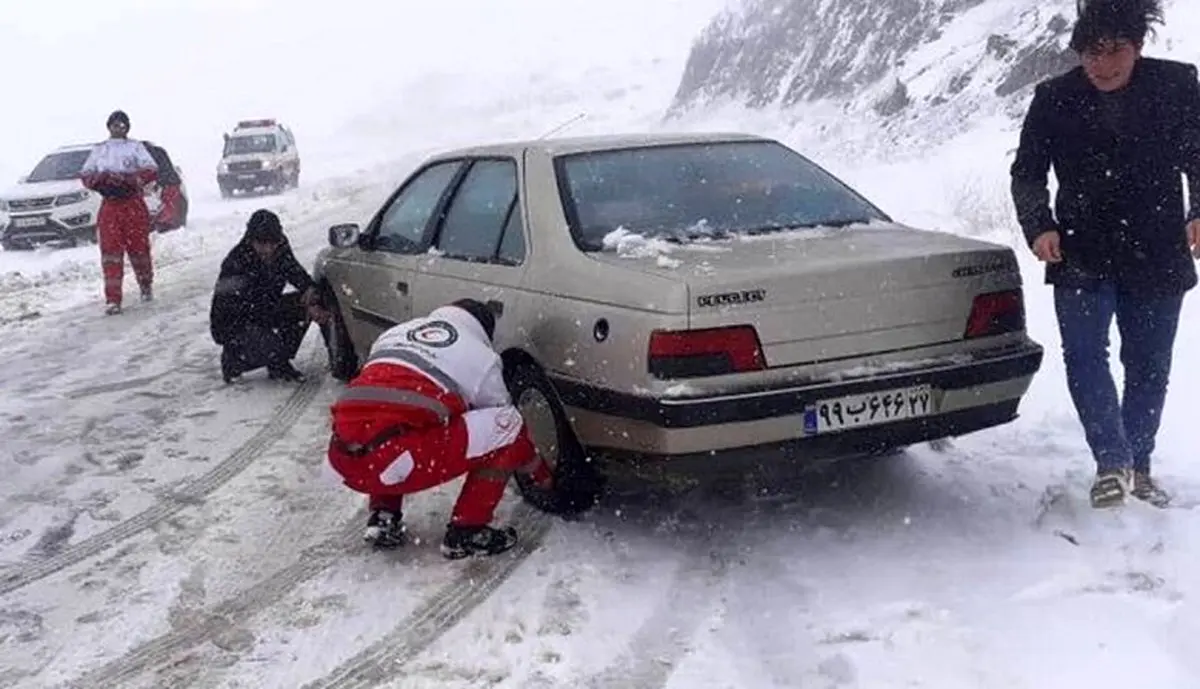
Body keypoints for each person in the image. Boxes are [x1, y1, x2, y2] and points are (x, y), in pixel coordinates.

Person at [1010, 0, 1199, 509]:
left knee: (1149, 365)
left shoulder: (1177, 85)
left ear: (1138, 47)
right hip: (1080, 251)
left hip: (1157, 249)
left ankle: (1139, 464)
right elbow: (1027, 172)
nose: (1102, 64)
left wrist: (1197, 209)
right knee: (1086, 357)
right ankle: (1111, 460)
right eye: (1090, 53)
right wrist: (1040, 225)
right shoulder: (1053, 97)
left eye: (1115, 50)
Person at [326, 299, 554, 559]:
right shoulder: (480, 358)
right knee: (506, 425)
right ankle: (467, 530)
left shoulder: (395, 333)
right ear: (483, 331)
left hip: (342, 455)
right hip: (396, 461)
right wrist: (540, 472)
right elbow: (506, 426)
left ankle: (383, 516)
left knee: (387, 421)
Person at [208, 208, 329, 384]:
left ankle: (278, 360)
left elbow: (296, 273)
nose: (268, 249)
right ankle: (235, 360)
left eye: (272, 244)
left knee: (304, 304)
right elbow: (228, 310)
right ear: (251, 241)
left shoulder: (280, 249)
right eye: (262, 244)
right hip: (235, 323)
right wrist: (267, 325)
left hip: (265, 309)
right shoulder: (236, 262)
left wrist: (311, 296)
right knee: (267, 338)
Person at [79, 110, 159, 315]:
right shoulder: (100, 150)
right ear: (109, 127)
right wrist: (103, 179)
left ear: (127, 127)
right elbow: (86, 174)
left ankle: (145, 284)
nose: (118, 128)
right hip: (111, 206)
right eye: (115, 125)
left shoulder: (136, 147)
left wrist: (130, 179)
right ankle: (113, 299)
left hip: (132, 205)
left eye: (122, 125)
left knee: (139, 249)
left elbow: (151, 169)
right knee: (111, 253)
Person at [143, 141, 185, 232]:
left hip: (167, 182)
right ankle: (165, 223)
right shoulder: (158, 152)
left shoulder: (154, 154)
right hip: (168, 182)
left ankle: (165, 223)